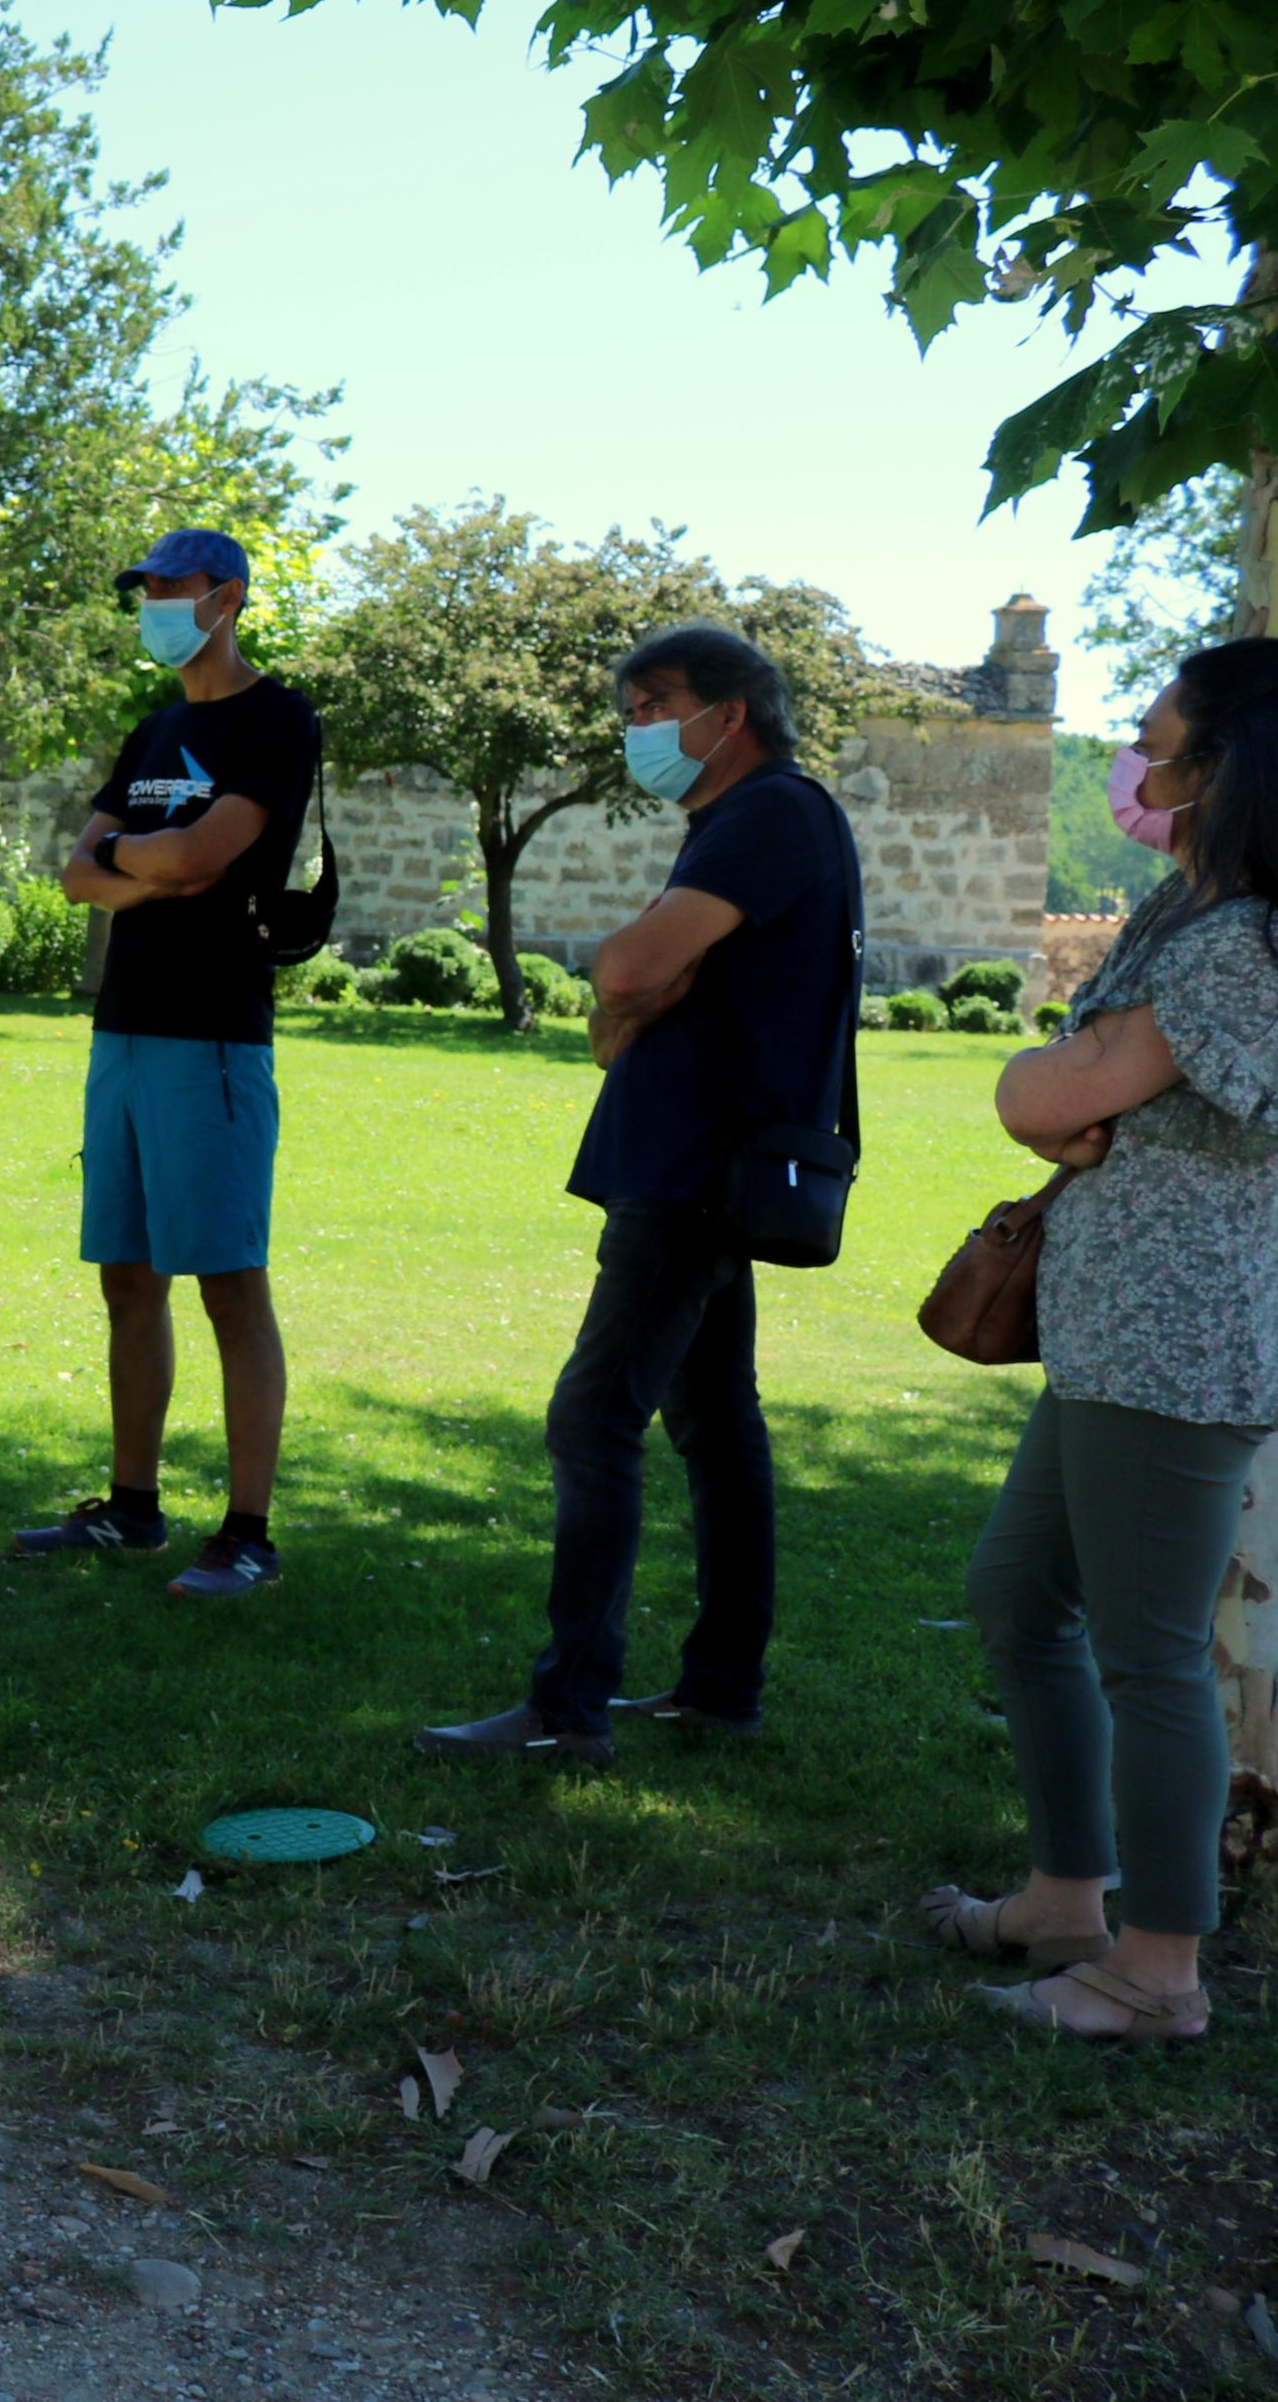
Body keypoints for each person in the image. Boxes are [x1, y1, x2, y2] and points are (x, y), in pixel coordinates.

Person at [419, 623, 861, 1765]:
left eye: (655, 702)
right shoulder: (735, 824)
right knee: (716, 1427)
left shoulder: (770, 812)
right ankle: (719, 1690)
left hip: (693, 1170)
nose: (636, 728)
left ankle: (567, 1710)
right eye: (626, 706)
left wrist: (636, 984)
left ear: (731, 712)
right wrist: (640, 988)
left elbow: (619, 976)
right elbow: (619, 1014)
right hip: (695, 1161)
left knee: (593, 1416)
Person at [919, 637, 1278, 2043]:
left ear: (1230, 771)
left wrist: (1040, 1084)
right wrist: (1051, 1086)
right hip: (1107, 1328)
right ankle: (1065, 1896)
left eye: (1161, 750)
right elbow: (1068, 1084)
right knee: (1017, 1595)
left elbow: (1068, 1082)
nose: (1135, 773)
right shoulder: (1180, 911)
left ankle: (1154, 1969)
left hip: (1177, 1345)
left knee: (1143, 1653)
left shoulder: (1241, 939)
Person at [13, 528, 322, 1601]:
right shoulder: (153, 729)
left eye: (166, 587)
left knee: (229, 1285)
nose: (148, 602)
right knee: (126, 1277)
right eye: (140, 588)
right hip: (125, 1032)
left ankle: (246, 1532)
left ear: (224, 597)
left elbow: (201, 855)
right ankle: (132, 1508)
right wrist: (149, 868)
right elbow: (75, 875)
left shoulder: (276, 720)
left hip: (214, 1038)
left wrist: (137, 861)